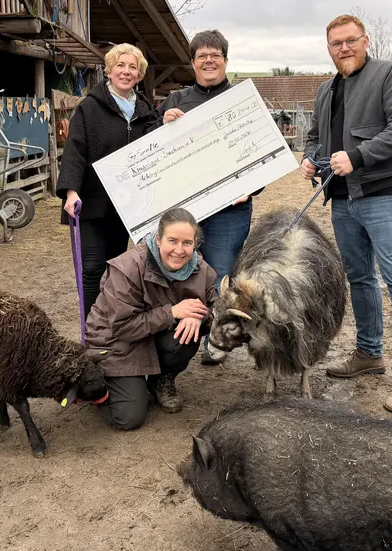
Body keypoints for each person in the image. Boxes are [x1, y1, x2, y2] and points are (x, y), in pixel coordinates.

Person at [300, 14, 392, 413]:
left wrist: (357, 157)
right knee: (359, 278)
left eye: (350, 40)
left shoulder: (390, 76)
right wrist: (310, 159)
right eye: (336, 43)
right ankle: (369, 353)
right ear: (329, 48)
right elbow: (313, 137)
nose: (344, 48)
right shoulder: (325, 90)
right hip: (343, 199)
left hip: (385, 195)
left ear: (365, 40)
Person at [157, 29, 262, 365]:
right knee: (179, 269)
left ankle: (212, 336)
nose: (209, 60)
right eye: (202, 55)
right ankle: (177, 338)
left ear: (226, 60)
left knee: (216, 274)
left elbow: (261, 154)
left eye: (215, 54)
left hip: (230, 211)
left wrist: (251, 188)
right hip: (186, 209)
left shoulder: (244, 100)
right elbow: (152, 151)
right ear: (192, 63)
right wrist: (162, 126)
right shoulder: (176, 100)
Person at [85, 208, 217, 430]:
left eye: (187, 243)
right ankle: (96, 387)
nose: (179, 250)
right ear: (158, 239)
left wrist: (200, 314)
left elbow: (214, 307)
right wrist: (173, 312)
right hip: (115, 342)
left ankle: (160, 381)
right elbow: (123, 328)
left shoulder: (201, 269)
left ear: (195, 244)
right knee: (128, 418)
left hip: (153, 334)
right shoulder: (128, 268)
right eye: (172, 241)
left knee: (188, 334)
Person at [56, 43, 158, 317]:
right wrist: (70, 191)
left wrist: (168, 122)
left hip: (125, 205)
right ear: (109, 71)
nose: (126, 72)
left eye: (132, 67)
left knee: (116, 266)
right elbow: (75, 150)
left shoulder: (146, 112)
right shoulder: (89, 108)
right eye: (120, 66)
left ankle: (110, 323)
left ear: (139, 75)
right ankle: (91, 329)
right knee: (92, 267)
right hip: (92, 201)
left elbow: (158, 148)